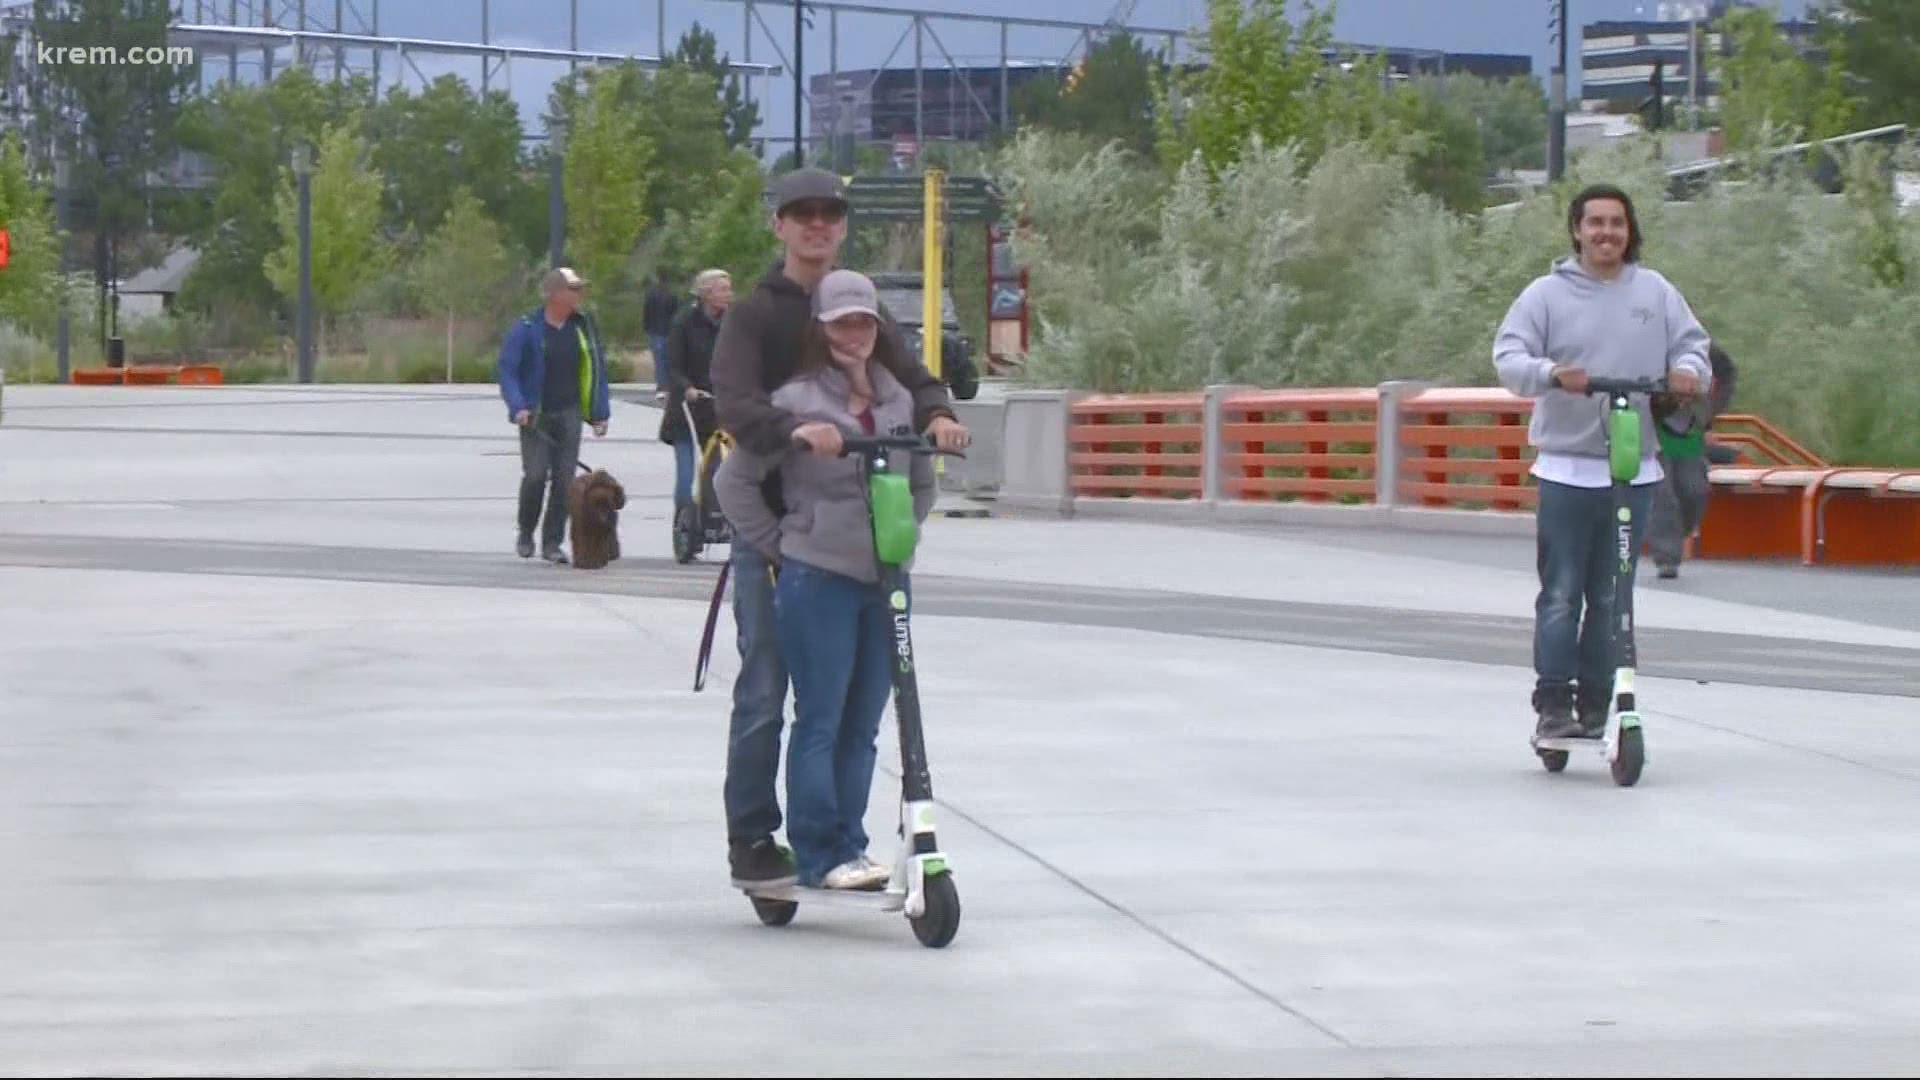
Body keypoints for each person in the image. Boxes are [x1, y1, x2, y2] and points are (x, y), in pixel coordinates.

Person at [710, 167, 969, 889]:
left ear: (843, 225)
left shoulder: (859, 307)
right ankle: (756, 840)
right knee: (768, 689)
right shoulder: (758, 314)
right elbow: (736, 408)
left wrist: (939, 416)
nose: (817, 224)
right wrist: (798, 435)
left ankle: (837, 842)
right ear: (780, 225)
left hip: (847, 543)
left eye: (830, 214)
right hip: (775, 523)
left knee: (853, 704)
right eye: (802, 214)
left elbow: (912, 382)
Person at [1492, 183, 1712, 740]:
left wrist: (1688, 373)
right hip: (1568, 468)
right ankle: (1553, 702)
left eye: (1617, 223)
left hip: (1632, 467)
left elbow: (1694, 346)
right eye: (1596, 223)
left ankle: (1597, 702)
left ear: (1629, 230)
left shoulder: (1656, 292)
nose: (1607, 233)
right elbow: (1509, 357)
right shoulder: (1545, 295)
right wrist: (1551, 374)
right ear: (1577, 230)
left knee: (1613, 594)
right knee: (1563, 591)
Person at [496, 266, 613, 564]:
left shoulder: (582, 326)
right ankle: (526, 531)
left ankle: (552, 542)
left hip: (570, 410)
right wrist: (518, 406)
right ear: (555, 294)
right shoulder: (526, 327)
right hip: (536, 414)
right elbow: (507, 369)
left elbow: (596, 368)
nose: (579, 295)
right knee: (535, 475)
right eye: (573, 289)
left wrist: (599, 412)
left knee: (564, 481)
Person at [1649, 343, 1737, 579]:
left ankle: (1682, 529)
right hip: (1650, 430)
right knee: (1662, 494)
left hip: (1689, 431)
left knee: (1693, 490)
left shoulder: (1699, 347)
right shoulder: (1646, 344)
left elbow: (1726, 372)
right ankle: (1667, 558)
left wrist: (1710, 414)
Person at [658, 269, 731, 525]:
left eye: (728, 289)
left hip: (717, 409)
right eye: (722, 289)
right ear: (706, 293)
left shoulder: (731, 323)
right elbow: (673, 364)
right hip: (687, 410)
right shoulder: (684, 322)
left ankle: (718, 516)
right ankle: (684, 524)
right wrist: (686, 387)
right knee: (687, 472)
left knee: (721, 469)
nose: (728, 294)